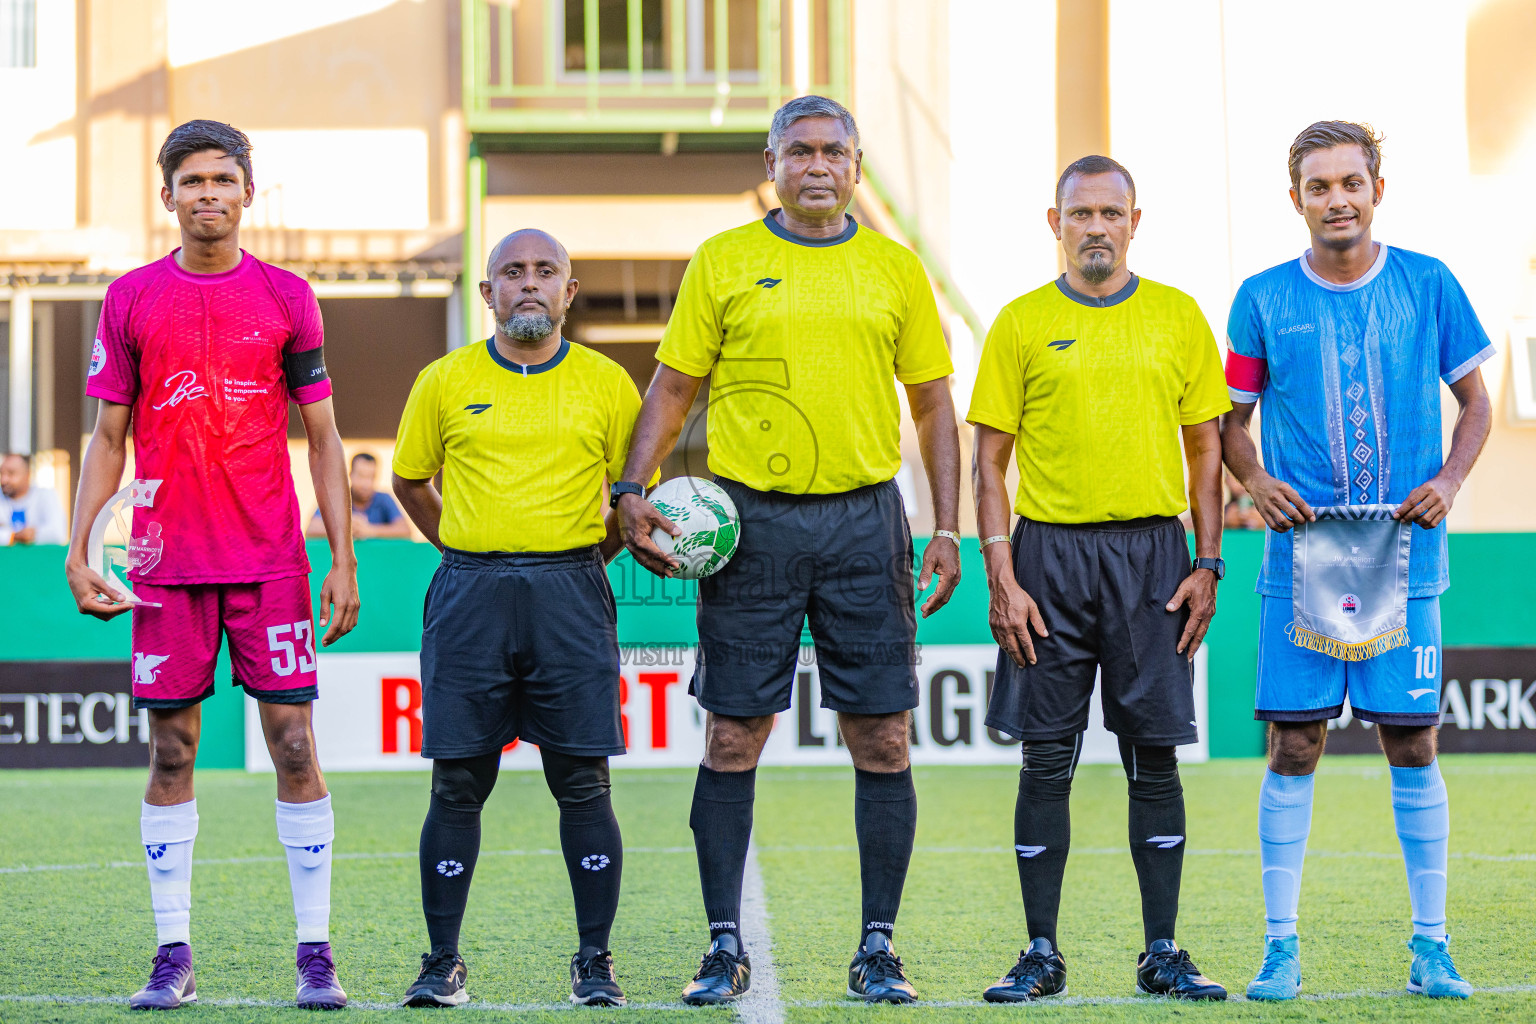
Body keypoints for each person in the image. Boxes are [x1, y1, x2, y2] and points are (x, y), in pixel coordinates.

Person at [614, 95, 962, 1005]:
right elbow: (674, 383)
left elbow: (931, 405)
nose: (817, 165)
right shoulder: (725, 261)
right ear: (772, 162)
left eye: (834, 151)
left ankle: (878, 947)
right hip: (750, 527)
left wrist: (950, 525)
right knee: (735, 732)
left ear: (855, 167)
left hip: (865, 523)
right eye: (799, 150)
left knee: (883, 735)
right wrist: (631, 487)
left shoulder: (895, 267)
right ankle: (723, 944)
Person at [62, 120, 360, 1010]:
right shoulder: (131, 299)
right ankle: (171, 954)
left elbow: (322, 434)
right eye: (190, 180)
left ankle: (315, 954)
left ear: (247, 193)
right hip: (164, 564)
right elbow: (106, 437)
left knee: (296, 745)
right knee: (172, 750)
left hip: (269, 560)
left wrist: (341, 556)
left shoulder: (287, 297)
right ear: (167, 198)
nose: (207, 194)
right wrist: (82, 551)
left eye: (223, 179)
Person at [1222, 121, 1493, 1001]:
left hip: (1405, 553)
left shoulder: (1430, 283)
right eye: (1318, 186)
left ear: (1378, 188)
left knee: (1411, 740)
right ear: (1294, 197)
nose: (1336, 199)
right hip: (1300, 557)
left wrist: (1450, 480)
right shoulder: (1261, 297)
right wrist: (1255, 479)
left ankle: (1431, 945)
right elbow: (1228, 424)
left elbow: (1476, 404)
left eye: (1350, 183)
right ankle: (1279, 948)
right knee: (1294, 742)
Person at [968, 155, 1230, 1002]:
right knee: (1047, 761)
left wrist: (1208, 561)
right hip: (1049, 558)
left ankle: (1163, 951)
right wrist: (1001, 572)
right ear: (1055, 223)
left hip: (1155, 559)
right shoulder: (1019, 323)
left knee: (1153, 759)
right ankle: (1040, 952)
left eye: (1110, 213)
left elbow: (1205, 451)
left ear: (1134, 221)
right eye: (1079, 214)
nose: (1096, 227)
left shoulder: (1178, 317)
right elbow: (990, 461)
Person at [392, 228, 650, 1008]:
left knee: (582, 781)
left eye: (546, 272)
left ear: (570, 291)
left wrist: (567, 561)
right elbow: (410, 483)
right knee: (457, 783)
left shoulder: (609, 385)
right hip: (468, 592)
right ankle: (442, 961)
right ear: (487, 293)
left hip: (571, 593)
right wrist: (476, 549)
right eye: (512, 272)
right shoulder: (443, 379)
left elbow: (629, 503)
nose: (528, 284)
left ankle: (594, 961)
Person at [306, 452, 410, 539]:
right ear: (351, 475)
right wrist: (345, 530)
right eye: (361, 476)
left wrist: (370, 530)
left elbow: (405, 530)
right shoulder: (335, 499)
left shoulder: (384, 499)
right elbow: (311, 529)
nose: (366, 483)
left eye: (371, 477)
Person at [1, 453, 67, 544]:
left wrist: (30, 535)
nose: (4, 480)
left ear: (27, 474)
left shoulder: (45, 495)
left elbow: (58, 533)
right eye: (1, 473)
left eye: (11, 473)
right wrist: (15, 536)